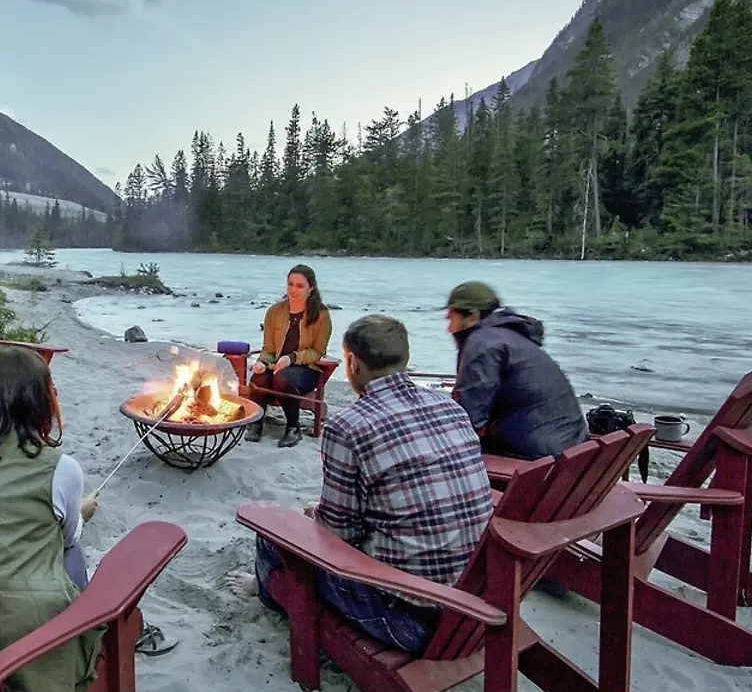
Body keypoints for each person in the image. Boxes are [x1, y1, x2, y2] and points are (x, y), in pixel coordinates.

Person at [0, 348, 173, 692]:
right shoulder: (59, 468)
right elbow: (69, 536)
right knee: (71, 545)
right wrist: (81, 512)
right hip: (22, 650)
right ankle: (88, 621)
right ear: (42, 401)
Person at [229, 314, 493, 652]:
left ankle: (269, 596)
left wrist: (316, 518)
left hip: (406, 618)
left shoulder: (347, 426)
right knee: (328, 513)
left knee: (272, 535)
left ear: (352, 361)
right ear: (405, 358)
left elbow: (338, 539)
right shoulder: (450, 407)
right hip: (470, 601)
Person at [444, 281, 589, 460]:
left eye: (451, 318)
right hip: (572, 448)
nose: (449, 328)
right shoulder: (512, 337)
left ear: (473, 316)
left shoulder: (482, 343)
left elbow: (468, 417)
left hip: (539, 458)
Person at [245, 264, 333, 448]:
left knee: (282, 379)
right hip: (276, 365)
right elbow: (268, 348)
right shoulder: (274, 312)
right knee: (258, 378)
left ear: (311, 288)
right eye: (290, 284)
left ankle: (293, 428)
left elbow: (318, 352)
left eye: (300, 286)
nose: (294, 290)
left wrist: (292, 358)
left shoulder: (321, 315)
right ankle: (256, 423)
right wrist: (262, 361)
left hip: (306, 369)